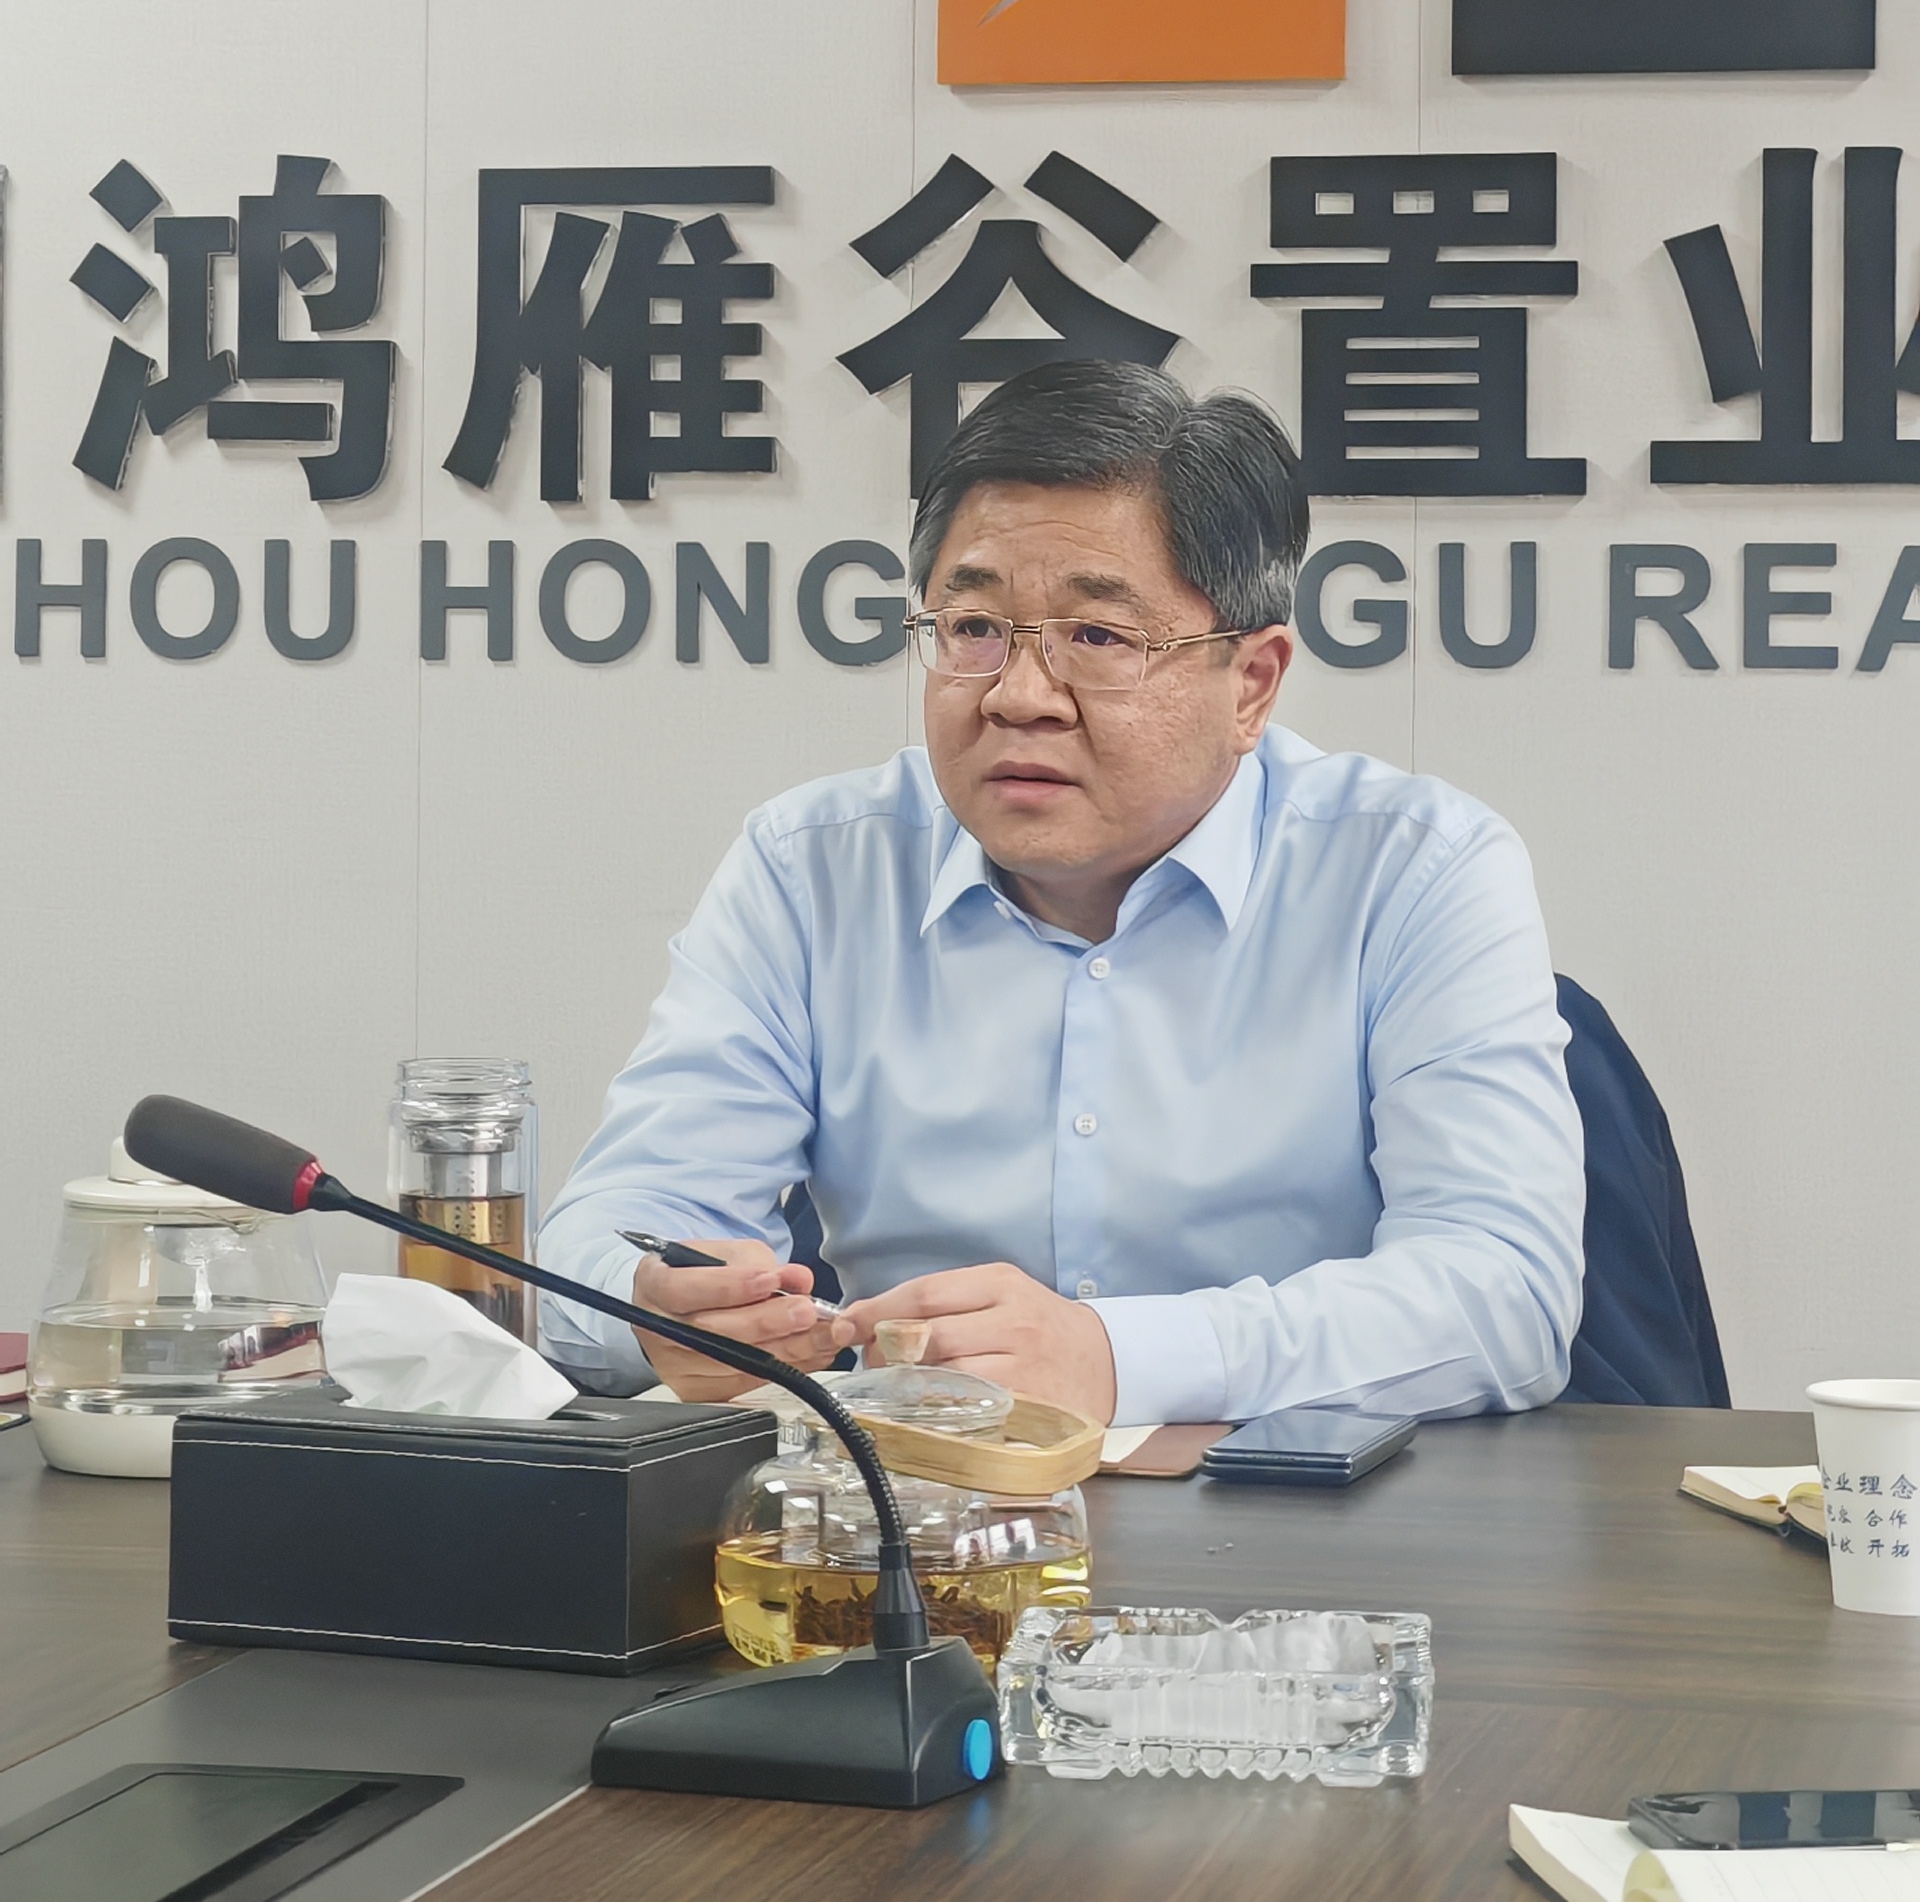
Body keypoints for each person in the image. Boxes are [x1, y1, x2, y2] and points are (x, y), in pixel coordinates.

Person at [539, 360, 1584, 1426]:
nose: (1020, 696)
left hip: (1297, 1513)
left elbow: (1504, 1289)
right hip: (918, 1504)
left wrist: (1119, 1358)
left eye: (1098, 638)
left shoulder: (1413, 871)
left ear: (1252, 683)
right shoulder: (813, 868)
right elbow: (606, 1234)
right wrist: (655, 1310)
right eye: (974, 629)